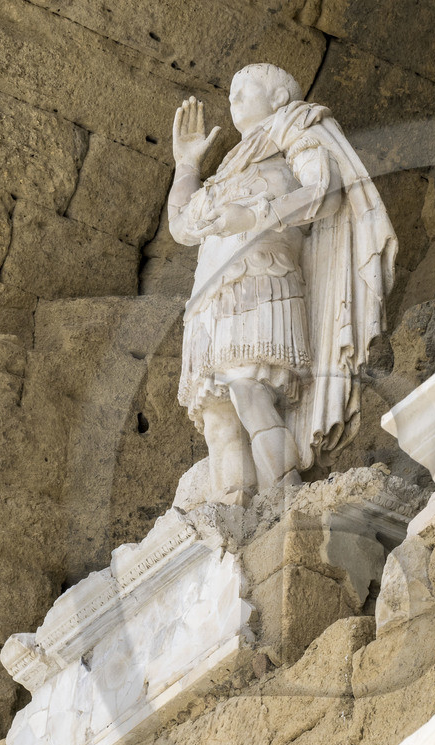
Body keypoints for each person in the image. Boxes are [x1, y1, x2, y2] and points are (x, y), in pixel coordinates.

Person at [167, 63, 397, 505]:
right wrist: (185, 164)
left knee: (250, 391)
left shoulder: (295, 127)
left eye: (243, 88)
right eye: (230, 89)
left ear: (276, 98)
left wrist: (255, 216)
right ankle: (234, 514)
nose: (231, 96)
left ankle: (284, 496)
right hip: (211, 296)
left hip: (262, 278)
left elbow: (326, 192)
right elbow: (182, 226)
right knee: (217, 413)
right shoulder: (231, 165)